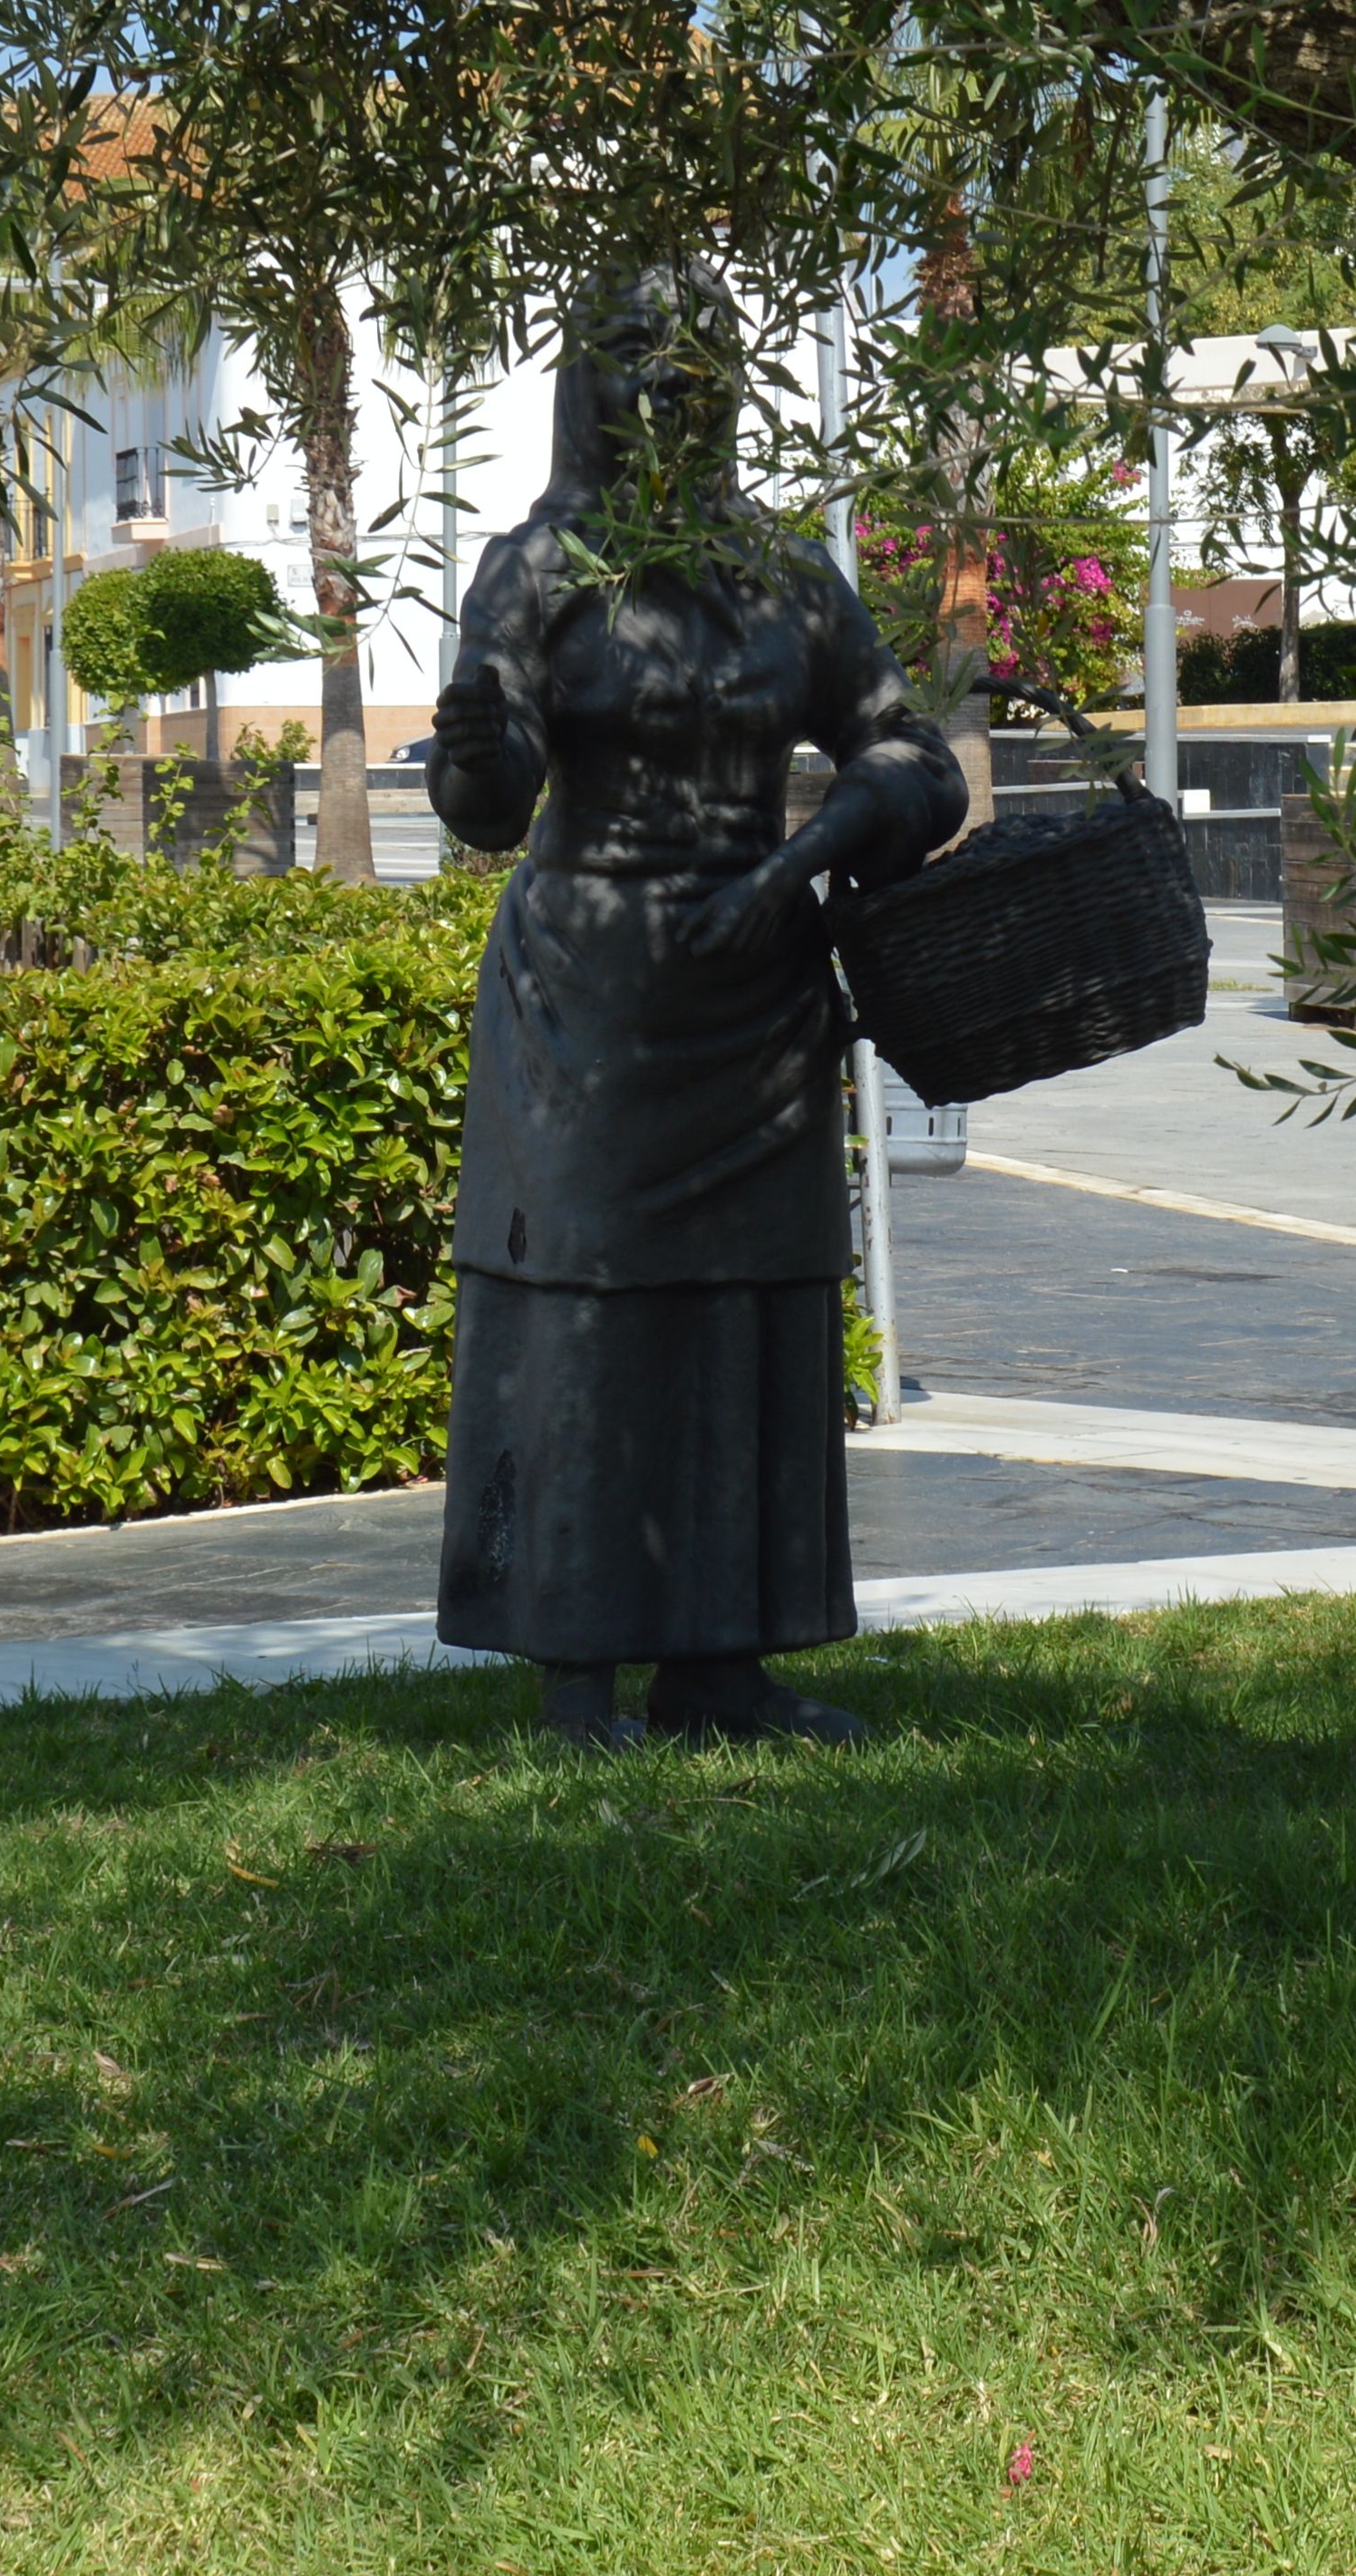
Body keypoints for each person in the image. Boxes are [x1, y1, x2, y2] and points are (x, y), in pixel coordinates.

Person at [423, 260, 964, 1749]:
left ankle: (725, 1665)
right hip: (587, 998)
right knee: (583, 1315)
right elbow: (488, 801)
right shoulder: (534, 569)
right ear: (586, 383)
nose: (666, 382)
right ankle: (577, 1665)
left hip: (755, 987)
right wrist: (474, 748)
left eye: (695, 358)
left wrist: (801, 859)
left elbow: (914, 763)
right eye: (635, 355)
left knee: (750, 1313)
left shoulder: (791, 575)